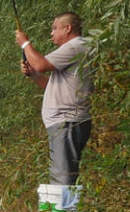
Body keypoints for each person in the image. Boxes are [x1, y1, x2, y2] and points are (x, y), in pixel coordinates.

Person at [15, 12, 92, 184]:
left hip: (67, 121)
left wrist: (25, 43)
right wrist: (33, 75)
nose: (52, 33)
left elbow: (41, 64)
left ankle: (62, 211)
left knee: (62, 176)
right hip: (64, 122)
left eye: (55, 28)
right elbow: (50, 83)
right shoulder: (75, 49)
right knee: (61, 174)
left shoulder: (75, 46)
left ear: (68, 28)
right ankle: (61, 210)